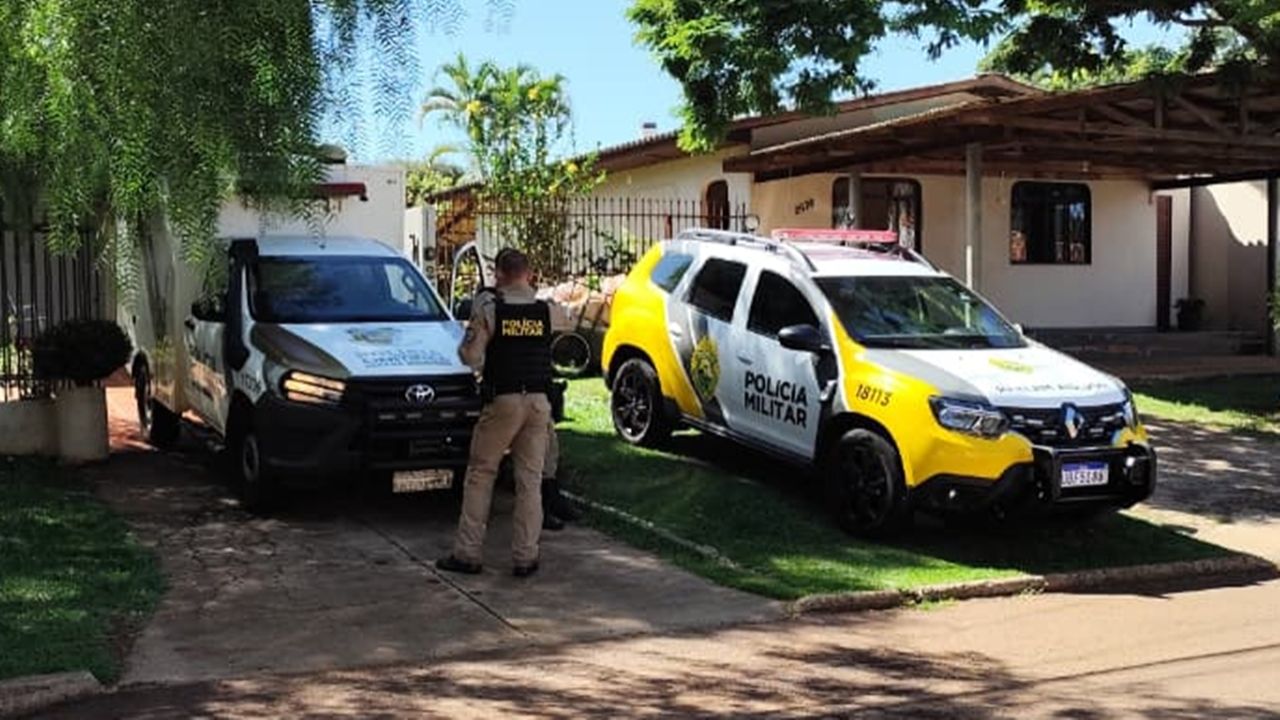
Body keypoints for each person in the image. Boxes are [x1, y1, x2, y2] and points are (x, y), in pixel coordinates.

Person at [437, 248, 552, 578]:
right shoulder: (544, 310)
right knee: (530, 480)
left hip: (503, 400)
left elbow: (470, 356)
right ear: (528, 274)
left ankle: (467, 553)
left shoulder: (490, 307)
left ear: (498, 274)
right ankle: (526, 556)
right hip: (539, 402)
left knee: (481, 473)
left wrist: (474, 321)